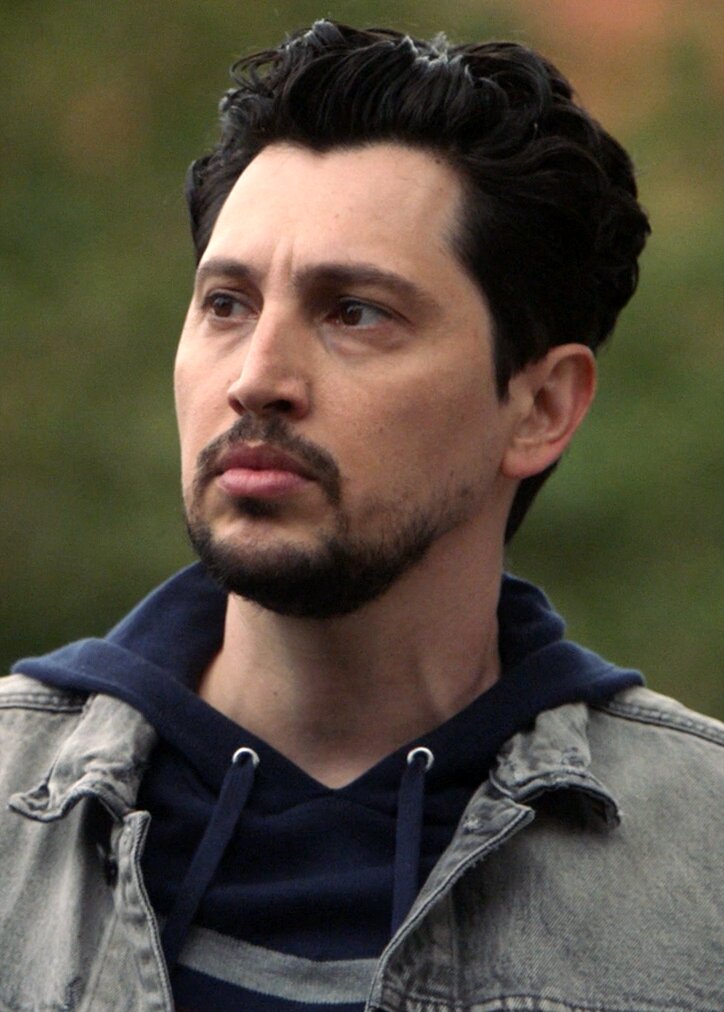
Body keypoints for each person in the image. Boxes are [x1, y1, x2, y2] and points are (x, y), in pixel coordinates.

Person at [1, 20, 721, 1012]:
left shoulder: (701, 862)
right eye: (226, 303)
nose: (257, 379)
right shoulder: (15, 815)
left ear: (540, 407)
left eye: (356, 312)